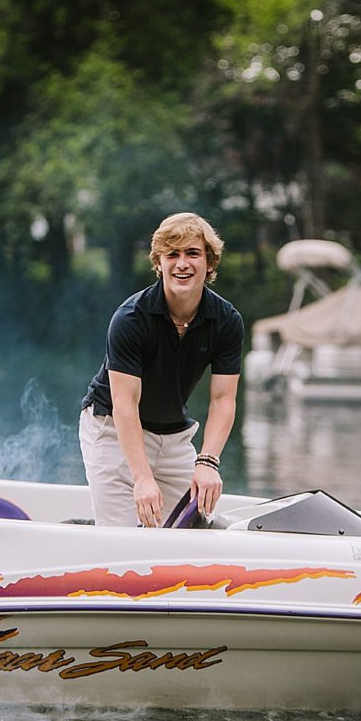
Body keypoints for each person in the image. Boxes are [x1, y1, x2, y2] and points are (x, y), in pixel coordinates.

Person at [79, 212, 244, 528]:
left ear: (209, 262)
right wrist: (142, 478)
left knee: (191, 532)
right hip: (113, 428)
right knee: (121, 537)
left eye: (192, 253)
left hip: (174, 437)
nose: (182, 264)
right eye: (172, 254)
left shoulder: (227, 321)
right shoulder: (131, 318)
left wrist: (208, 461)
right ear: (159, 262)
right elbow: (125, 404)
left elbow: (223, 399)